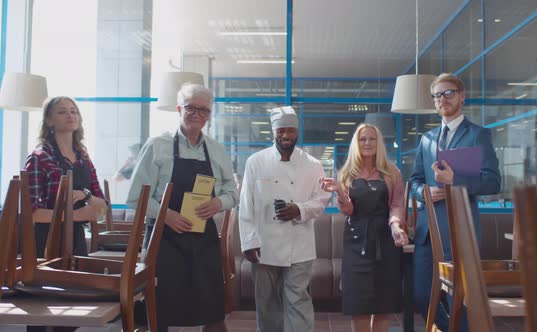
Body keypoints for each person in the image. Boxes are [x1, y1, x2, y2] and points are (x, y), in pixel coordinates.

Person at [126, 83, 238, 332]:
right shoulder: (157, 145)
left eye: (204, 110)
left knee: (212, 308)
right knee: (159, 307)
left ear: (210, 114)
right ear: (179, 109)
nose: (197, 114)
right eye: (191, 108)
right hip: (163, 241)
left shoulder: (216, 150)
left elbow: (232, 191)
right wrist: (166, 215)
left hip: (203, 239)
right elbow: (136, 197)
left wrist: (219, 202)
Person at [409, 73, 501, 331]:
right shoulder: (426, 139)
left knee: (459, 298)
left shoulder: (479, 135)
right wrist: (424, 192)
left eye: (448, 93)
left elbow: (493, 182)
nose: (442, 99)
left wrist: (455, 179)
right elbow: (415, 180)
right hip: (428, 233)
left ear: (462, 96)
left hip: (461, 232)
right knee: (421, 296)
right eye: (437, 95)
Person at [239, 106, 330, 332]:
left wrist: (298, 209)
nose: (286, 136)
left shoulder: (313, 164)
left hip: (300, 245)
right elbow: (246, 205)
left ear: (297, 132)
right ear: (273, 132)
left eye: (290, 130)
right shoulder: (255, 162)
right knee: (266, 304)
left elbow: (322, 200)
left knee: (298, 301)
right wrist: (249, 242)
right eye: (281, 131)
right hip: (264, 245)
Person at [24, 96, 108, 332]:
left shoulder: (83, 157)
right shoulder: (40, 158)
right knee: (41, 311)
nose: (70, 115)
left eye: (74, 111)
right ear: (49, 121)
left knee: (71, 312)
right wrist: (79, 216)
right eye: (62, 112)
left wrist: (85, 195)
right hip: (44, 243)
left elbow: (103, 205)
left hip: (76, 242)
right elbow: (32, 213)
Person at [320, 123, 409, 332]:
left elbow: (397, 205)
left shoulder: (391, 172)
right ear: (356, 144)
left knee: (382, 307)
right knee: (359, 307)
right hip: (356, 243)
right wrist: (340, 192)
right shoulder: (346, 174)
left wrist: (396, 226)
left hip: (386, 243)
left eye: (372, 138)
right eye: (362, 139)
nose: (367, 143)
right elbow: (348, 210)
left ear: (379, 143)